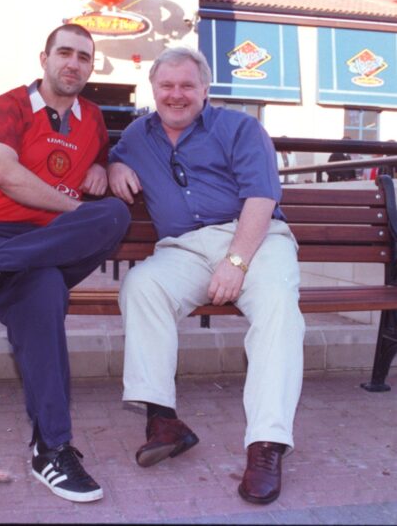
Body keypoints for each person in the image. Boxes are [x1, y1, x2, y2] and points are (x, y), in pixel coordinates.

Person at [108, 47, 305, 505]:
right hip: (183, 249)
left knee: (278, 306)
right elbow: (110, 154)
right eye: (166, 86)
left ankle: (267, 445)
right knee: (142, 285)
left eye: (187, 86)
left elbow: (260, 199)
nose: (176, 95)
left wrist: (235, 263)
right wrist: (116, 164)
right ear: (153, 89)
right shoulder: (138, 135)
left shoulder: (240, 127)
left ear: (205, 89)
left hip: (253, 238)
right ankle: (162, 419)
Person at [0, 24, 130, 503]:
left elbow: (107, 168)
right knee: (45, 290)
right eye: (64, 53)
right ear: (44, 58)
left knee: (113, 213)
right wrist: (75, 212)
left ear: (91, 67)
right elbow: (3, 172)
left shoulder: (93, 119)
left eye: (84, 57)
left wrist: (105, 168)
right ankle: (52, 448)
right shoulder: (9, 105)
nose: (73, 63)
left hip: (45, 247)